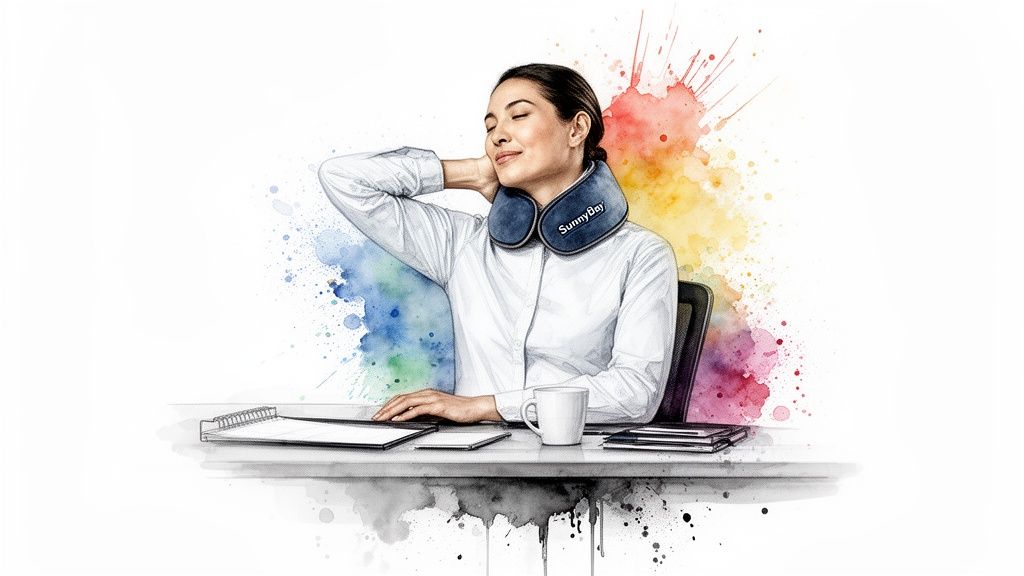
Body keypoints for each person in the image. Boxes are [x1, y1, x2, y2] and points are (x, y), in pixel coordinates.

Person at [318, 63, 678, 424]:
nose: (497, 136)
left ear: (577, 129)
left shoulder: (642, 255)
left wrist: (484, 407)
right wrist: (472, 172)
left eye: (518, 115)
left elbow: (636, 393)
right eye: (490, 127)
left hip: (582, 466)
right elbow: (343, 179)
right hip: (473, 467)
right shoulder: (461, 244)